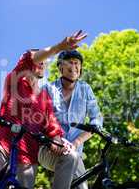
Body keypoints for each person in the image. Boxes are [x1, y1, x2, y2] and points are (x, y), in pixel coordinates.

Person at [0, 30, 87, 189]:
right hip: (2, 144)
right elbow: (30, 58)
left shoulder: (45, 97)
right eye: (40, 58)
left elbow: (52, 126)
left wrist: (58, 140)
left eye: (45, 61)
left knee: (71, 156)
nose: (42, 62)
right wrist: (60, 46)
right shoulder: (15, 79)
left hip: (27, 155)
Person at [39, 49, 103, 189]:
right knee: (70, 159)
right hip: (49, 148)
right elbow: (41, 116)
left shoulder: (85, 89)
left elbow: (96, 120)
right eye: (70, 62)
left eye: (77, 63)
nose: (74, 66)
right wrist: (54, 138)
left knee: (82, 187)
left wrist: (77, 142)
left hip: (74, 151)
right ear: (61, 67)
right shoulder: (47, 88)